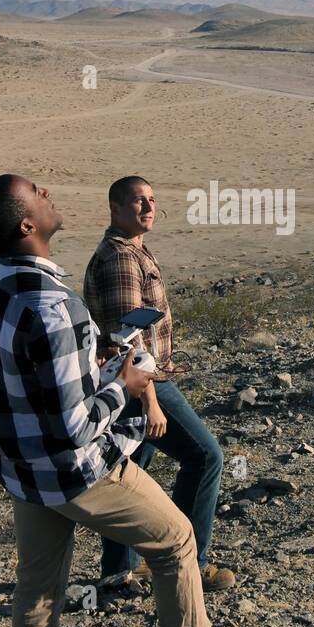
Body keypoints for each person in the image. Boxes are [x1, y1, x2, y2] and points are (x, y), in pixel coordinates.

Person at [0, 173, 259, 627]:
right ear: (27, 224)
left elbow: (24, 385)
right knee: (175, 540)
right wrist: (124, 386)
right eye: (37, 192)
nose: (48, 191)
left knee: (39, 591)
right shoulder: (52, 304)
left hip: (24, 471)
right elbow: (74, 423)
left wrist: (93, 362)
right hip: (77, 470)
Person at [83, 176, 234, 592]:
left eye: (152, 200)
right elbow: (125, 337)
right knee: (205, 458)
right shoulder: (119, 258)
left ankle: (118, 572)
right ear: (114, 207)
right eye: (137, 201)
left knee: (129, 469)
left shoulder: (130, 249)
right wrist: (150, 399)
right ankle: (188, 563)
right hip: (140, 383)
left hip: (136, 383)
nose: (148, 207)